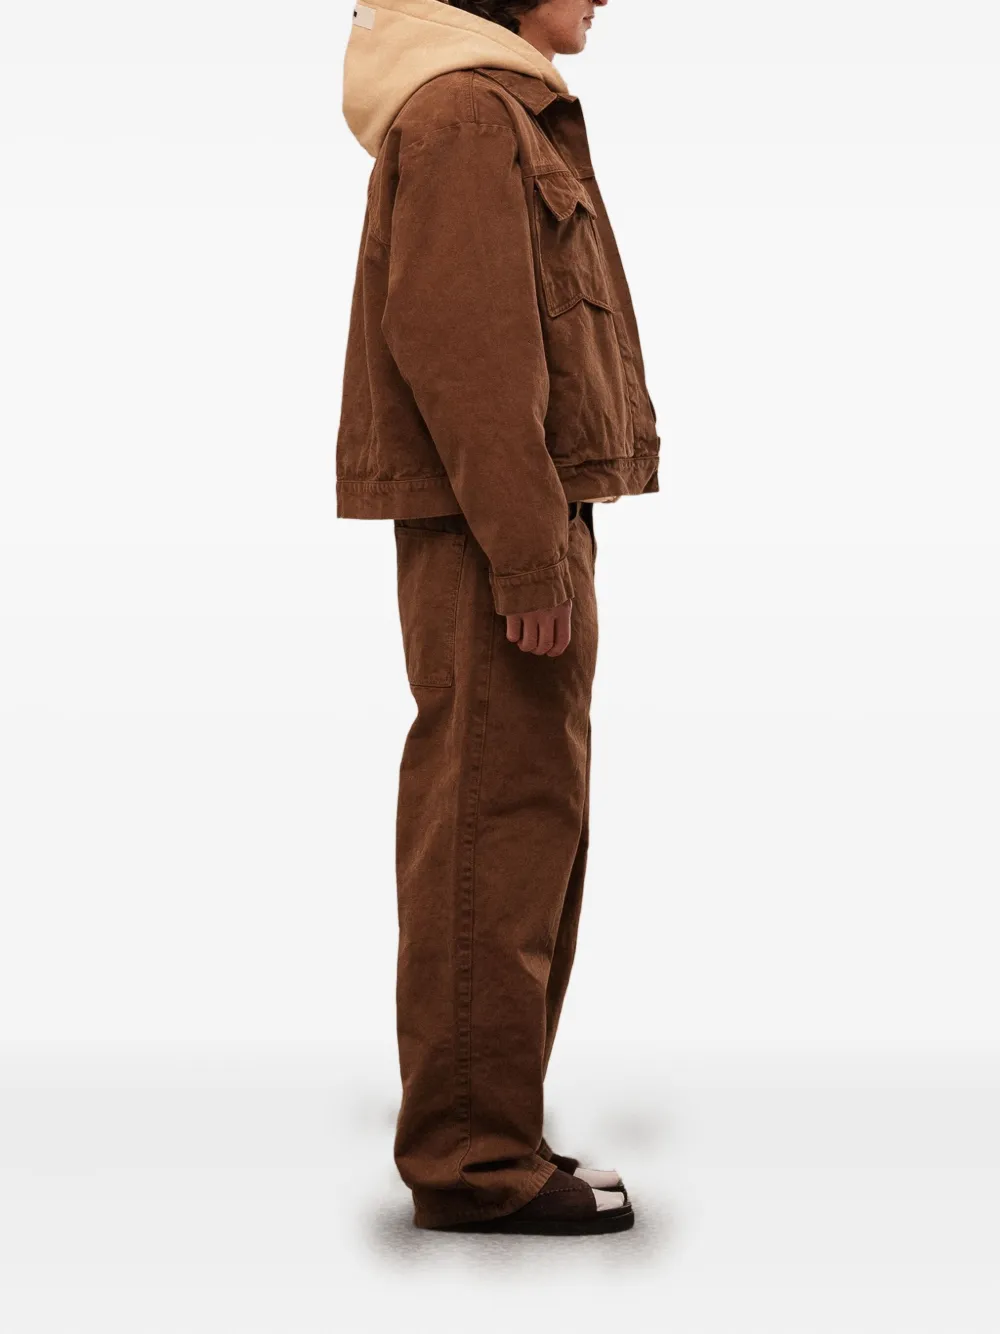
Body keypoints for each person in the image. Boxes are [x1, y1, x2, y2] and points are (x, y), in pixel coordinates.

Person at [336, 0, 659, 1234]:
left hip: (516, 517)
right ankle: (473, 1161)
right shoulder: (470, 115)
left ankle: (494, 1128)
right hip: (494, 530)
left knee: (522, 828)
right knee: (492, 823)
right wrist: (528, 562)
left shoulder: (497, 106)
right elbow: (464, 352)